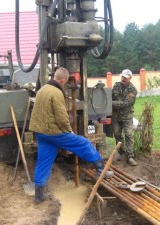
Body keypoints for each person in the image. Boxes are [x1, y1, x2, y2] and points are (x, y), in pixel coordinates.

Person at [29, 67, 114, 204]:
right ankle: (100, 170)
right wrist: (69, 131)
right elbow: (62, 117)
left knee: (43, 162)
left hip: (41, 133)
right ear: (63, 80)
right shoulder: (56, 92)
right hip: (54, 133)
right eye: (66, 81)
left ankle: (38, 195)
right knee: (84, 143)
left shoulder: (42, 90)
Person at [112, 69, 138, 166]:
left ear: (130, 78)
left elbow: (127, 103)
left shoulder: (133, 90)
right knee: (117, 134)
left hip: (127, 116)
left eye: (125, 77)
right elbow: (110, 96)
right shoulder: (116, 86)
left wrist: (112, 104)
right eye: (122, 77)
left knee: (128, 134)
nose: (123, 79)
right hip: (116, 116)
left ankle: (130, 156)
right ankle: (121, 153)